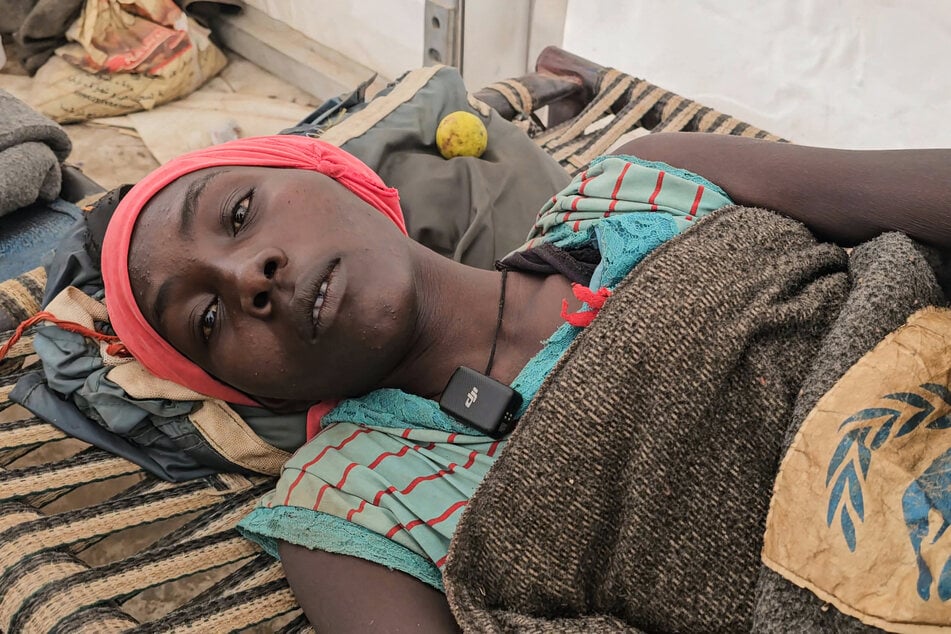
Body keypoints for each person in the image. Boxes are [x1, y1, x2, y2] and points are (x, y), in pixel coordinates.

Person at [98, 131, 951, 632]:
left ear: (330, 172)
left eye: (238, 214)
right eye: (206, 320)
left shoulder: (640, 183)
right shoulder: (346, 508)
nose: (247, 276)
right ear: (260, 396)